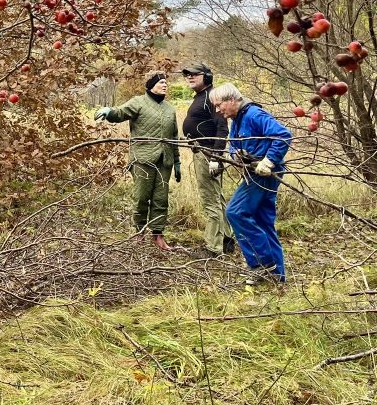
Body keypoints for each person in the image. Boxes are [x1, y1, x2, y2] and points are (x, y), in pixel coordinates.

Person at [209, 83, 291, 283]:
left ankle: (261, 264)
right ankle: (276, 276)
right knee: (263, 221)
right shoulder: (237, 119)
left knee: (235, 212)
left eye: (220, 105)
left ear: (231, 100)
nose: (218, 110)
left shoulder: (254, 114)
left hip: (264, 174)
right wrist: (234, 156)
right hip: (254, 172)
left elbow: (283, 135)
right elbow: (234, 145)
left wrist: (269, 160)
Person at [95, 71, 181, 250]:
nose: (165, 85)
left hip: (165, 161)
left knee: (161, 199)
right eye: (160, 82)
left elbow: (174, 137)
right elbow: (120, 113)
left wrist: (177, 162)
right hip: (142, 158)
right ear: (150, 85)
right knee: (141, 197)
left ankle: (157, 235)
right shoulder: (138, 102)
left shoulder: (170, 109)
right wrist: (109, 112)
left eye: (166, 82)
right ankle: (138, 233)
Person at [180, 63, 235, 258]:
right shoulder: (202, 97)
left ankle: (213, 247)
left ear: (207, 77)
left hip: (207, 154)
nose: (190, 77)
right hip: (203, 152)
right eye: (188, 74)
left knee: (210, 200)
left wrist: (215, 158)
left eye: (195, 74)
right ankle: (227, 239)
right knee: (218, 198)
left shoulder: (212, 97)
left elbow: (222, 129)